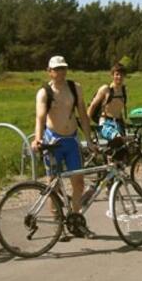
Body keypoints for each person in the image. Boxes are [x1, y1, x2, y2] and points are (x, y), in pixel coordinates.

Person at [31, 55, 97, 237]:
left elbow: (83, 114)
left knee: (78, 183)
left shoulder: (75, 88)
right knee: (53, 185)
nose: (60, 72)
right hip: (53, 141)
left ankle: (76, 220)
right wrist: (38, 138)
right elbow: (41, 117)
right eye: (56, 69)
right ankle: (58, 226)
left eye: (63, 68)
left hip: (72, 140)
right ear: (49, 72)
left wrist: (89, 140)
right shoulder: (44, 92)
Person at [87, 62, 129, 146]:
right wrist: (86, 124)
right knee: (117, 139)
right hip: (106, 123)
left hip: (118, 123)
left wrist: (124, 124)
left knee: (124, 149)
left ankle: (111, 157)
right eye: (117, 74)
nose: (119, 77)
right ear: (112, 75)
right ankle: (109, 157)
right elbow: (93, 106)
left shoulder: (124, 90)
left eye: (121, 75)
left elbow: (118, 109)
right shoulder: (106, 89)